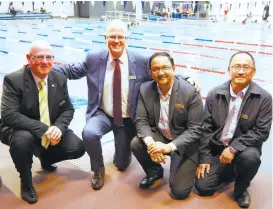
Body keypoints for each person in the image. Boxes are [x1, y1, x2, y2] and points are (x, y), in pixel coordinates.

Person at [53, 19, 200, 190]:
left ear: (126, 39)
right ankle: (98, 169)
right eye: (112, 37)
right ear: (105, 38)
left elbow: (162, 71)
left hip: (129, 118)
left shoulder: (141, 60)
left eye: (120, 37)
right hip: (103, 113)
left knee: (122, 164)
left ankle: (124, 154)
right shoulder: (94, 58)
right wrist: (42, 66)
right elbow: (71, 71)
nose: (116, 41)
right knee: (89, 133)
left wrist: (186, 78)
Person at [0, 40, 85, 204]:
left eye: (49, 57)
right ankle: (26, 182)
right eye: (39, 57)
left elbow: (68, 109)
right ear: (29, 58)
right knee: (23, 141)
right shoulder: (13, 80)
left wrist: (59, 128)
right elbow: (9, 115)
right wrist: (45, 129)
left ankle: (46, 159)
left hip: (49, 127)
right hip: (19, 129)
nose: (45, 62)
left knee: (78, 147)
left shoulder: (59, 79)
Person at [195, 51, 272, 208]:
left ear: (254, 71)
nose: (241, 71)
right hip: (218, 148)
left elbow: (261, 131)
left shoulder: (264, 98)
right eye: (237, 66)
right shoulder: (215, 94)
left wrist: (233, 148)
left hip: (244, 149)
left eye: (246, 67)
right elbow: (206, 129)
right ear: (229, 69)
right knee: (203, 188)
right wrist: (205, 158)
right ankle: (230, 170)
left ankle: (241, 189)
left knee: (251, 158)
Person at [131, 52, 203, 199]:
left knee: (179, 192)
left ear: (174, 68)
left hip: (183, 144)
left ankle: (188, 166)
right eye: (156, 69)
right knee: (137, 143)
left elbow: (195, 130)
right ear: (150, 72)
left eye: (165, 68)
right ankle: (155, 172)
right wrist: (151, 144)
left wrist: (168, 147)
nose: (161, 72)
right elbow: (141, 120)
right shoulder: (145, 89)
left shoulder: (190, 92)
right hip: (161, 136)